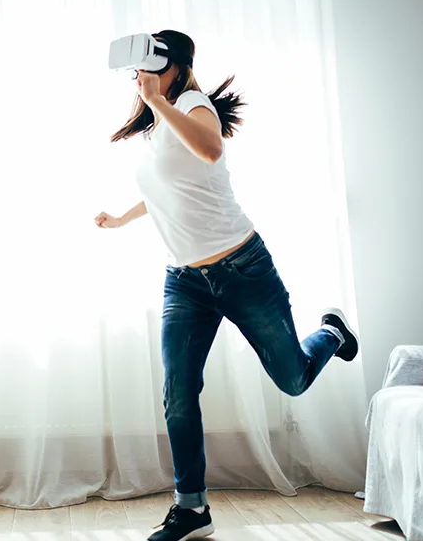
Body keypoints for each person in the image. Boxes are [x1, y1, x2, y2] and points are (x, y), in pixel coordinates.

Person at [94, 30, 359, 541]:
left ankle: (331, 334)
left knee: (293, 380)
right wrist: (123, 219)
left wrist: (157, 104)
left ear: (176, 67)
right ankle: (191, 509)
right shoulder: (160, 126)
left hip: (241, 269)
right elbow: (171, 190)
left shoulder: (194, 105)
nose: (141, 80)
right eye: (137, 74)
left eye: (151, 69)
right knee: (177, 394)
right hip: (184, 282)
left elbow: (210, 152)